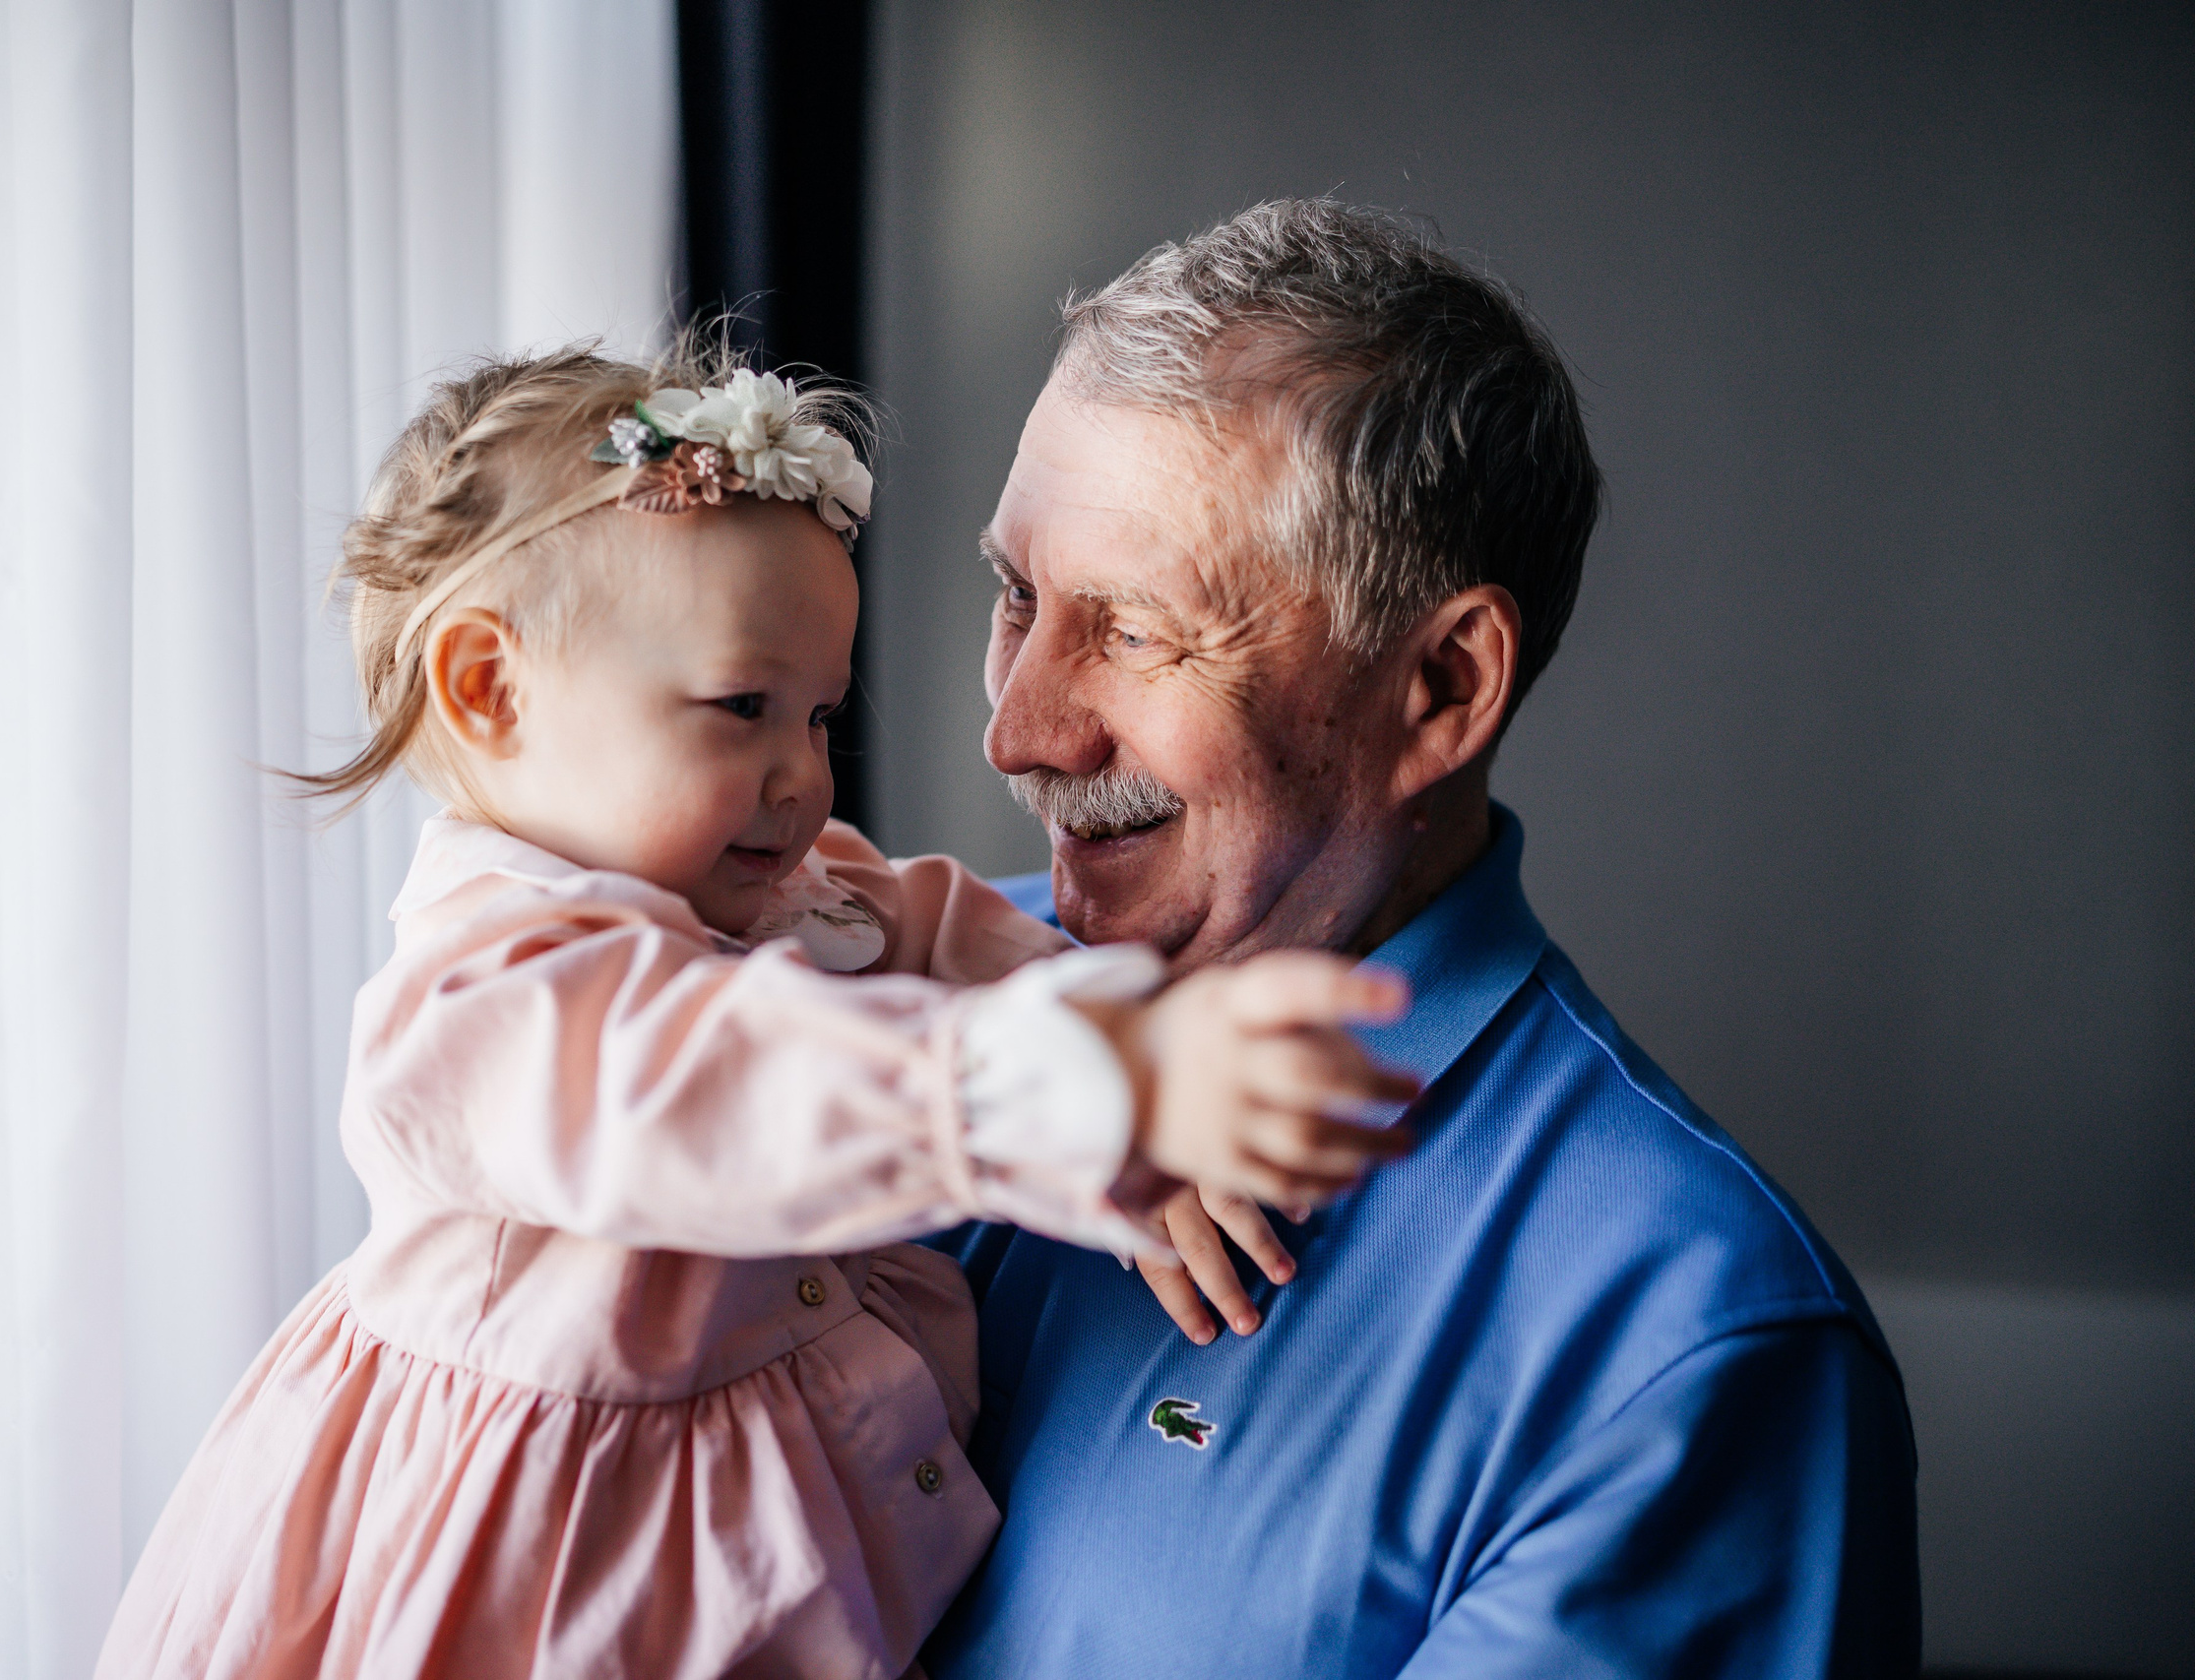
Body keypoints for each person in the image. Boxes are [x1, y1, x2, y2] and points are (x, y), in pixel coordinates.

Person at [92, 342, 1416, 1680]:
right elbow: (717, 1086)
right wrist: (1062, 1088)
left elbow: (948, 934)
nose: (798, 775)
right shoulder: (483, 995)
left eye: (818, 715)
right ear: (491, 691)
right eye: (741, 708)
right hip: (546, 1577)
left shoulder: (793, 887)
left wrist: (1130, 1060)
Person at [919, 201, 1922, 1677]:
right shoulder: (862, 1002)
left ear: (1444, 689)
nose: (1019, 730)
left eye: (1136, 631)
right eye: (1018, 596)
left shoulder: (1678, 1352)